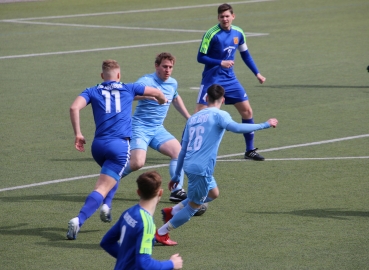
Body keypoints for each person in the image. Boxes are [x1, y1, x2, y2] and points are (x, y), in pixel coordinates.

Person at [155, 84, 278, 245]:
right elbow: (237, 127)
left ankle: (173, 211)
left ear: (206, 98)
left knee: (213, 193)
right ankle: (161, 233)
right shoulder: (220, 114)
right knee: (194, 206)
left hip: (189, 165)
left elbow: (183, 150)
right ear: (223, 100)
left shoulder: (193, 118)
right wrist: (265, 124)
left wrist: (177, 175)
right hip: (201, 168)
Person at [67, 59, 167, 240]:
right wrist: (161, 100)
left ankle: (107, 205)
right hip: (119, 145)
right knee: (103, 185)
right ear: (119, 75)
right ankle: (79, 219)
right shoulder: (129, 88)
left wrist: (78, 134)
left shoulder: (92, 90)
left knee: (113, 173)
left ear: (102, 76)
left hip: (98, 146)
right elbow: (158, 93)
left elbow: (74, 107)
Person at [99, 52, 191, 224]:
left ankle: (177, 190)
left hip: (157, 129)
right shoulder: (146, 81)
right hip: (139, 127)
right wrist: (151, 94)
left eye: (170, 67)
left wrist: (188, 117)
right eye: (164, 66)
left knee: (179, 153)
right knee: (137, 163)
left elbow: (176, 98)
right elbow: (129, 94)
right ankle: (108, 179)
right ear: (156, 66)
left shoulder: (172, 83)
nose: (167, 70)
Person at [196, 3, 267, 161]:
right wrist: (221, 62)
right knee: (199, 116)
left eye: (227, 16)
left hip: (230, 79)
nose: (225, 19)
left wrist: (257, 73)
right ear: (218, 18)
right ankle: (187, 149)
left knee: (247, 111)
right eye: (222, 16)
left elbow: (245, 55)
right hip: (212, 79)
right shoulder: (211, 34)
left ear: (233, 16)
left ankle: (249, 150)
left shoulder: (239, 32)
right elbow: (200, 57)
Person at [100, 171, 183, 270]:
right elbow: (144, 264)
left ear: (138, 192)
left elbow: (106, 242)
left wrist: (126, 260)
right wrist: (171, 264)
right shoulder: (146, 223)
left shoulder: (129, 212)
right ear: (160, 192)